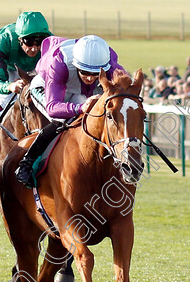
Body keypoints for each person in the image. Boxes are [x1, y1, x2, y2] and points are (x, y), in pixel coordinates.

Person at [14, 35, 127, 188]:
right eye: (84, 72)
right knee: (62, 120)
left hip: (78, 91)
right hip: (46, 88)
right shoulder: (60, 64)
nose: (89, 77)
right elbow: (53, 108)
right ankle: (27, 163)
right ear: (76, 65)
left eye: (95, 74)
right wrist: (79, 108)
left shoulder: (114, 69)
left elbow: (126, 99)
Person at [0, 12, 52, 112]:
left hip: (34, 67)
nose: (34, 48)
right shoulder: (4, 41)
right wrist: (9, 86)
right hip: (9, 67)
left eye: (39, 41)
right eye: (29, 42)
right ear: (20, 39)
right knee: (6, 100)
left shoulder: (51, 43)